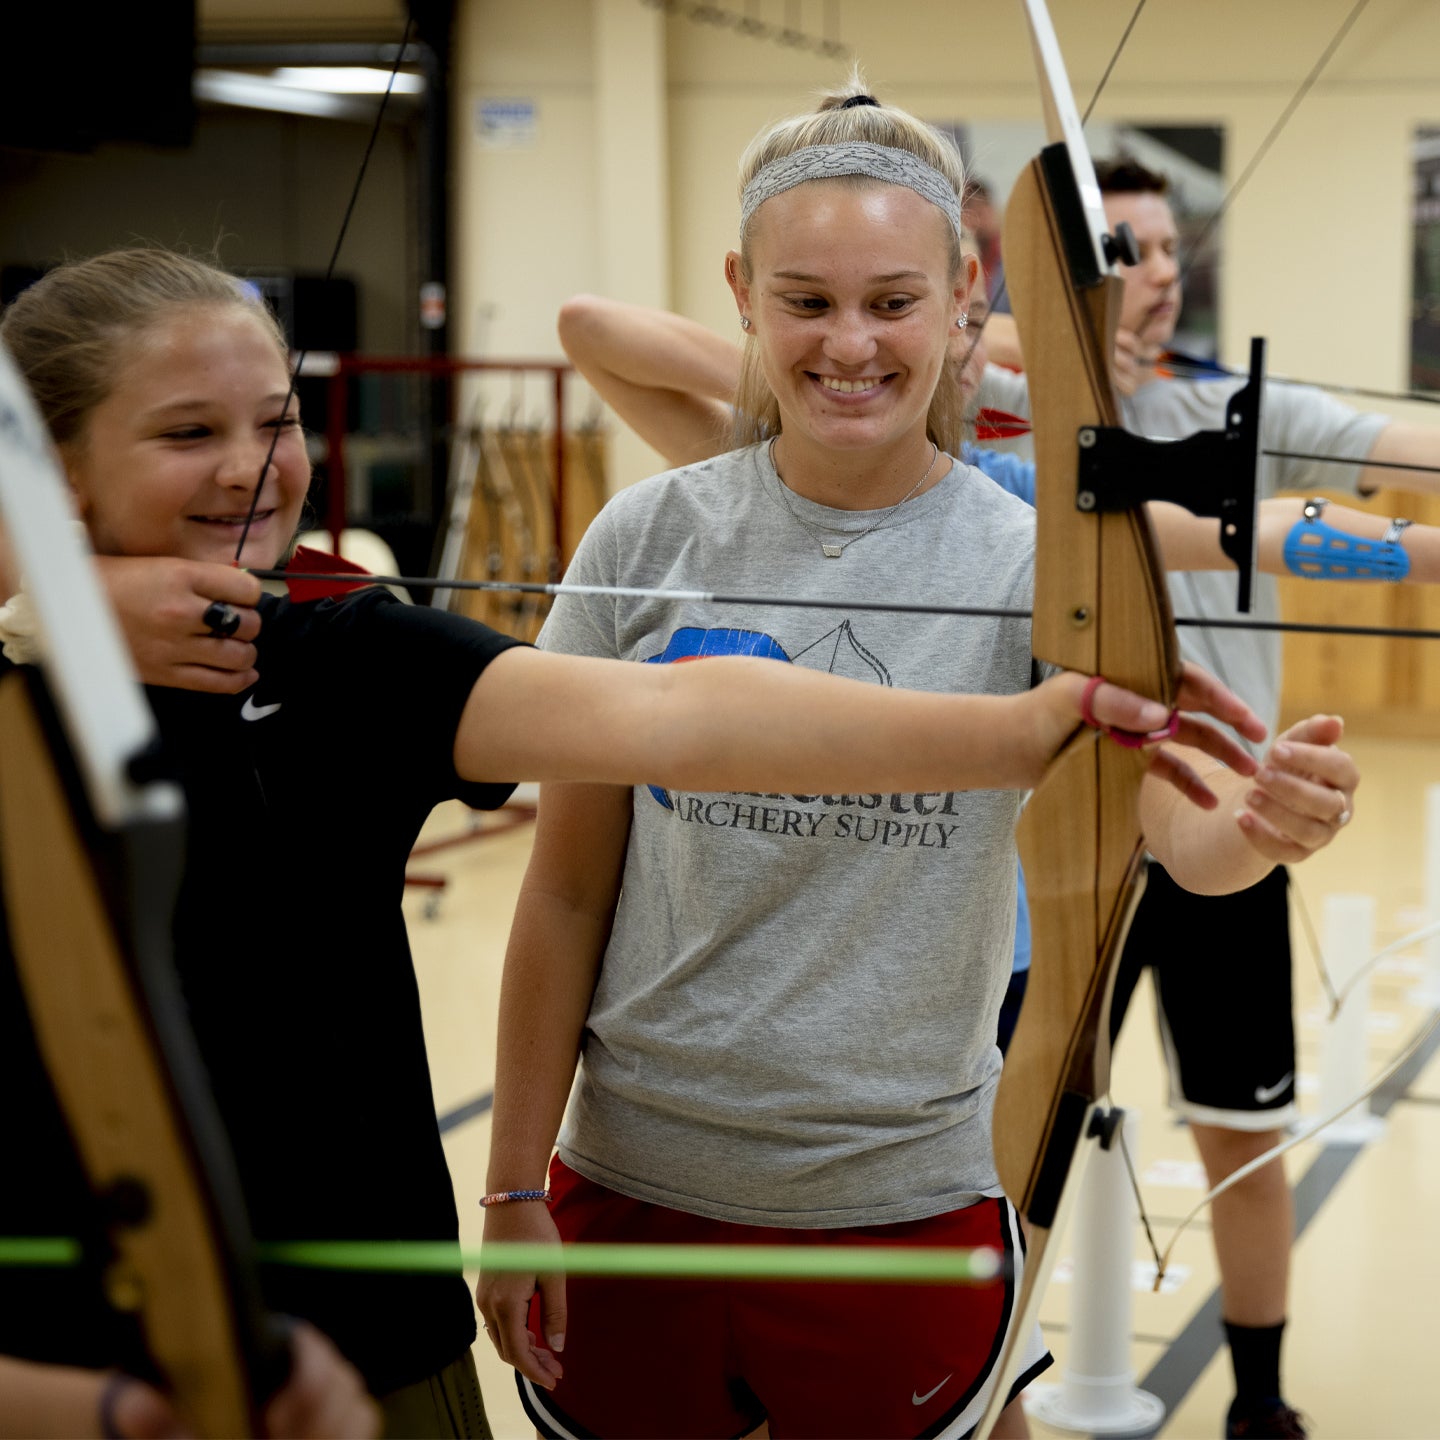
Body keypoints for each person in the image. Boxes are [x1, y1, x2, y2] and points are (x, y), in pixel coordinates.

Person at [0, 249, 1261, 1438]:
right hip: (53, 1343)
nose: (251, 469)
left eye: (274, 420)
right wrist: (40, 600)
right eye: (187, 433)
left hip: (365, 1327)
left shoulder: (340, 649)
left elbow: (684, 709)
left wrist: (1023, 730)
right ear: (52, 471)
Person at [476, 82, 1358, 1440]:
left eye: (893, 300)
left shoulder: (1056, 573)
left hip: (904, 1197)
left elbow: (1179, 847)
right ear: (741, 295)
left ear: (965, 303)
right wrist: (512, 1181)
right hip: (630, 1191)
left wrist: (1269, 824)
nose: (849, 345)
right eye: (806, 301)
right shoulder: (644, 539)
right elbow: (568, 893)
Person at [978, 154, 1440, 1440]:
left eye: (1169, 249)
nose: (1159, 271)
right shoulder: (1012, 399)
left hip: (1223, 821)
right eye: (1125, 250)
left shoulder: (1249, 411)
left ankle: (1262, 1405)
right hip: (1070, 829)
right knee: (1016, 1144)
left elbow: (1416, 458)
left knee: (1245, 1128)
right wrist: (1037, 330)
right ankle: (974, 1387)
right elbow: (632, 340)